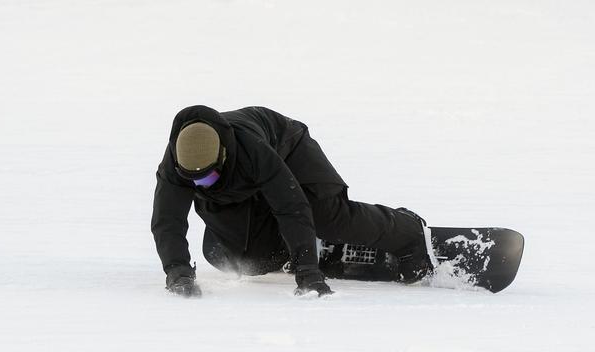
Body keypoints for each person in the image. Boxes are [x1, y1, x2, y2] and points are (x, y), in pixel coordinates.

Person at [151, 105, 433, 297]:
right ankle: (297, 245)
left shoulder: (253, 151)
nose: (201, 185)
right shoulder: (174, 165)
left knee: (328, 216)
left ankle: (408, 231)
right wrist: (177, 271)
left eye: (207, 179)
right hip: (240, 184)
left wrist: (308, 271)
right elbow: (168, 221)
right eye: (194, 182)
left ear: (222, 157)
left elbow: (291, 206)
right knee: (247, 259)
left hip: (288, 148)